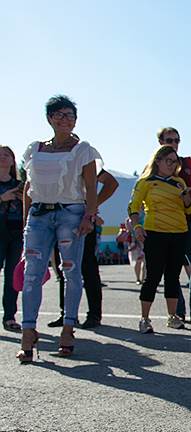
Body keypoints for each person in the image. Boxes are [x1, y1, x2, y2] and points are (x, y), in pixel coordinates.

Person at [18, 96, 101, 362]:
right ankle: (28, 331)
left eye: (71, 115)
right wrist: (26, 219)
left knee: (71, 271)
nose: (66, 119)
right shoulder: (35, 149)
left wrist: (90, 215)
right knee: (32, 273)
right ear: (50, 118)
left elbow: (91, 187)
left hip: (71, 213)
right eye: (60, 115)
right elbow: (28, 189)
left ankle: (68, 328)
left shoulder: (83, 150)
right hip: (39, 215)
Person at [129, 145, 191, 334]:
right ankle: (144, 319)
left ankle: (172, 316)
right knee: (153, 276)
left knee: (173, 276)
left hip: (179, 232)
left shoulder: (178, 181)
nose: (172, 165)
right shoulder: (146, 182)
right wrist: (137, 226)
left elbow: (188, 209)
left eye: (175, 162)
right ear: (158, 161)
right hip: (155, 232)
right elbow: (133, 206)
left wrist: (186, 195)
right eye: (169, 161)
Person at [47, 168, 118, 329]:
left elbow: (112, 183)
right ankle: (66, 314)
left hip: (82, 220)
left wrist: (92, 205)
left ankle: (94, 314)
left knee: (87, 266)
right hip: (59, 219)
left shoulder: (84, 161)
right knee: (63, 266)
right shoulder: (54, 157)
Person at [156, 127, 191, 322]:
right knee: (171, 268)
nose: (174, 144)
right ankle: (177, 311)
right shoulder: (155, 169)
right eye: (169, 140)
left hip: (190, 222)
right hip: (166, 225)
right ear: (161, 142)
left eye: (177, 140)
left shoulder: (189, 163)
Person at [0, 146, 23, 332]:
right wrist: (3, 198)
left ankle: (9, 316)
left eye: (6, 155)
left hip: (16, 233)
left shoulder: (20, 184)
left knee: (12, 276)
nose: (3, 157)